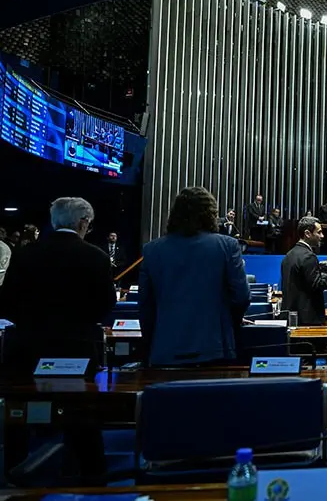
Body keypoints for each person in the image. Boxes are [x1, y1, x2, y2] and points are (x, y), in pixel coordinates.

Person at [0, 197, 116, 484]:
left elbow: (5, 303)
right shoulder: (96, 256)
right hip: (77, 350)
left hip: (26, 349)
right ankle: (91, 477)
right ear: (83, 222)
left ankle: (14, 477)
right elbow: (106, 306)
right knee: (82, 416)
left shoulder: (25, 254)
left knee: (20, 416)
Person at [139, 187, 250, 366]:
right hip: (215, 348)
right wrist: (227, 322)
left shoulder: (152, 250)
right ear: (210, 214)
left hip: (165, 350)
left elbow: (145, 306)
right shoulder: (227, 245)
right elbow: (241, 297)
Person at [280, 217, 327, 325]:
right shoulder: (309, 256)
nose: (322, 236)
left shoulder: (289, 255)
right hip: (307, 319)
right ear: (307, 233)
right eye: (319, 232)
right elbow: (318, 285)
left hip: (290, 316)